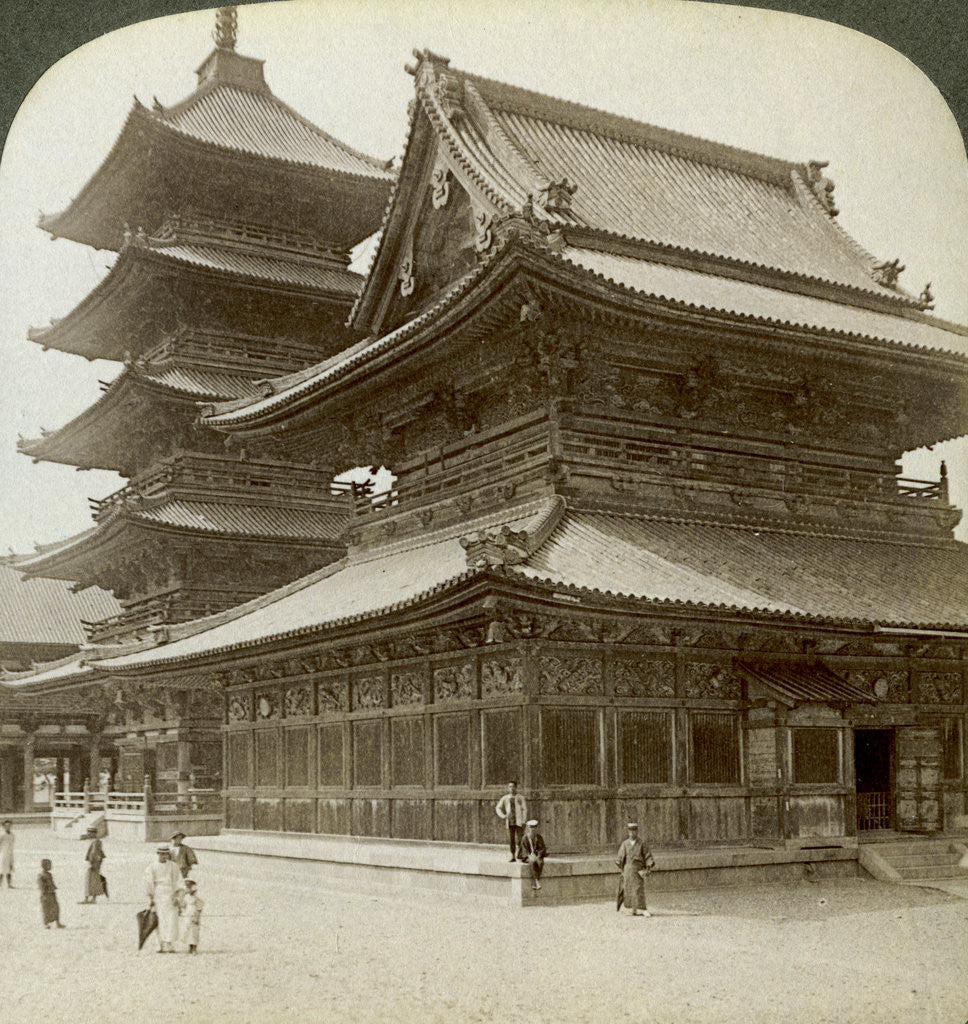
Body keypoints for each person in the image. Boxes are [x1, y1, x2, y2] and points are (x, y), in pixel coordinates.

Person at [144, 845, 185, 953]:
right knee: (159, 919)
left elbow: (179, 881)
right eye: (161, 854)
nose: (164, 856)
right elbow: (148, 883)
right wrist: (151, 898)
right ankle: (159, 943)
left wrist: (178, 897)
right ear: (157, 854)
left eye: (166, 854)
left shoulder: (173, 866)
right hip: (158, 893)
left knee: (171, 920)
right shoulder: (151, 867)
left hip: (170, 894)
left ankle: (169, 943)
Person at [615, 822, 655, 917]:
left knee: (638, 889)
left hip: (638, 869)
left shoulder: (641, 843)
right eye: (630, 831)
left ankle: (643, 908)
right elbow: (620, 858)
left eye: (634, 830)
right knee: (628, 889)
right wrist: (621, 866)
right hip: (627, 869)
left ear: (637, 831)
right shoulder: (625, 844)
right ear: (628, 832)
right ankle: (633, 909)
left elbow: (647, 856)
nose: (632, 833)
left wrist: (648, 866)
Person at [494, 781, 528, 862]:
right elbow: (498, 808)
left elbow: (525, 809)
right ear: (508, 788)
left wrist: (524, 821)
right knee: (511, 840)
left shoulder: (520, 798)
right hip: (510, 822)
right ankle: (513, 856)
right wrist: (503, 816)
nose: (512, 788)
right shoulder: (505, 798)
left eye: (513, 786)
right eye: (510, 787)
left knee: (520, 839)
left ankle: (521, 855)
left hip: (519, 821)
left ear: (516, 787)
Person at [518, 819, 547, 891]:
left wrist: (538, 855)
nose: (533, 830)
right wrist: (529, 856)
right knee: (532, 862)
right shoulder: (525, 838)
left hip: (536, 855)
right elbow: (524, 849)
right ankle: (536, 881)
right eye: (531, 828)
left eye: (534, 828)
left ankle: (536, 880)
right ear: (528, 828)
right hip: (527, 856)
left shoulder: (539, 837)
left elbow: (542, 848)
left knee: (540, 862)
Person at [177, 878, 204, 954]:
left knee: (194, 932)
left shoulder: (196, 898)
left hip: (194, 915)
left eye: (188, 888)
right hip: (187, 916)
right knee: (188, 931)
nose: (186, 889)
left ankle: (194, 948)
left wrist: (197, 917)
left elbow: (199, 908)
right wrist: (180, 909)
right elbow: (183, 905)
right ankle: (190, 947)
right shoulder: (186, 897)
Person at [80, 829, 106, 903]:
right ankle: (92, 899)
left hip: (93, 863)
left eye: (90, 833)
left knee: (90, 881)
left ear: (94, 833)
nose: (88, 834)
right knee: (94, 880)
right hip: (95, 863)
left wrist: (91, 863)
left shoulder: (96, 842)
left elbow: (94, 853)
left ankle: (88, 899)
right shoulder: (96, 841)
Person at [37, 859, 65, 928]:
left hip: (52, 894)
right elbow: (41, 886)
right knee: (46, 910)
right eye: (49, 865)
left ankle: (57, 922)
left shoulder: (49, 874)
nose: (51, 866)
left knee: (56, 908)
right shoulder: (41, 875)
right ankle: (46, 924)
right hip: (46, 895)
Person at [0, 821, 13, 888]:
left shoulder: (12, 835)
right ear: (4, 827)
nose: (8, 827)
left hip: (9, 853)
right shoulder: (2, 835)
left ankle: (9, 884)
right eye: (6, 826)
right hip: (2, 853)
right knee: (1, 869)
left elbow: (11, 844)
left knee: (9, 869)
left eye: (9, 825)